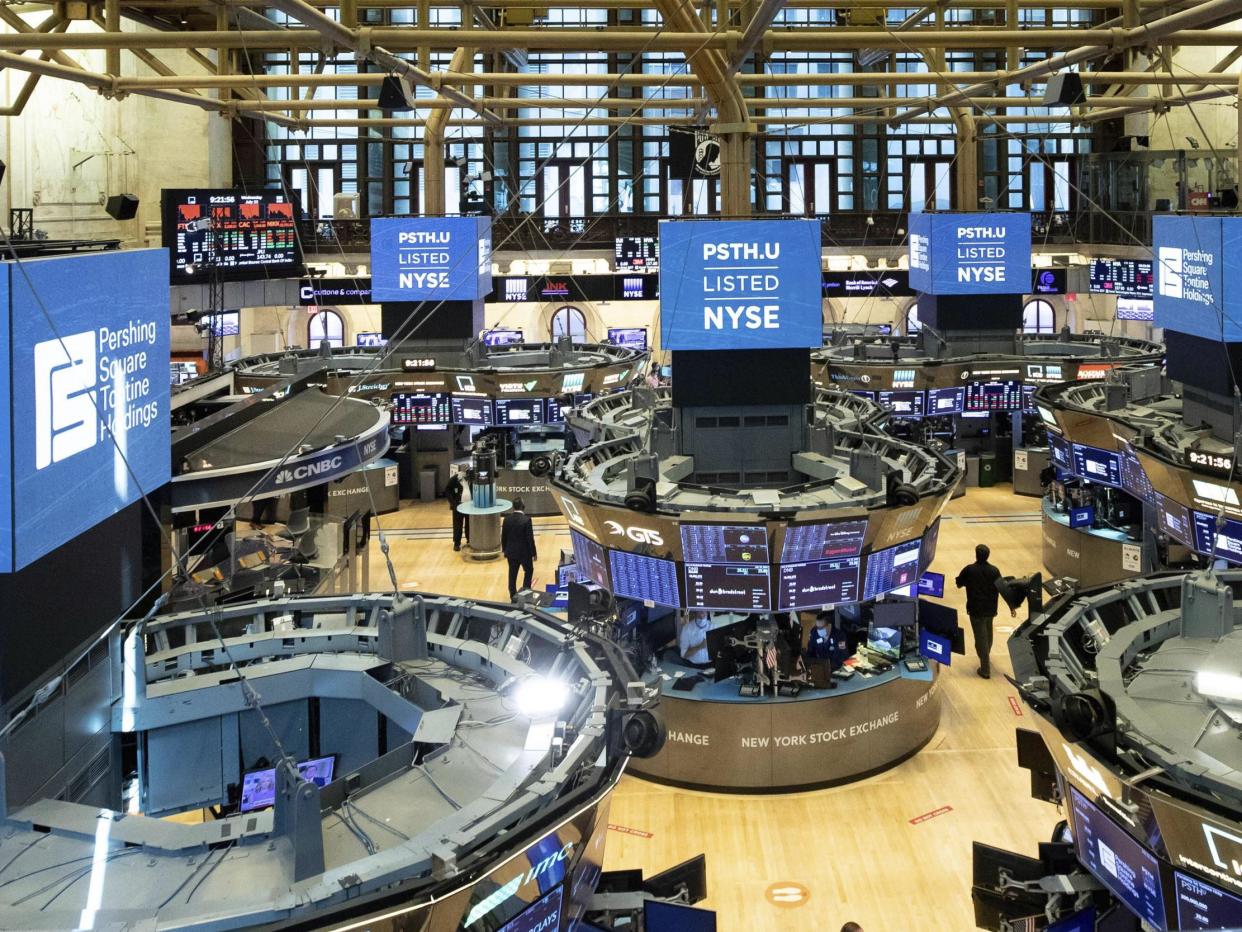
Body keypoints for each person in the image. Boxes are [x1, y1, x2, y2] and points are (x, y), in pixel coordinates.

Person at [954, 543, 1015, 679]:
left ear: (976, 554)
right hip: (991, 609)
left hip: (976, 610)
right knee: (987, 635)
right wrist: (1012, 606)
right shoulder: (994, 571)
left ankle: (985, 669)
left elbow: (958, 583)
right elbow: (1003, 588)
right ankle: (985, 656)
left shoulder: (969, 570)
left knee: (981, 639)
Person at [501, 497, 537, 599]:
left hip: (511, 552)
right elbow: (530, 538)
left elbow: (503, 536)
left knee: (512, 574)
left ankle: (513, 595)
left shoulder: (507, 519)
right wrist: (534, 553)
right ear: (523, 506)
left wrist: (504, 550)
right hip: (524, 553)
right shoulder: (527, 520)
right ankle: (526, 594)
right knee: (529, 571)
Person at [444, 467, 470, 551]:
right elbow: (447, 489)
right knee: (457, 525)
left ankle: (469, 540)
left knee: (469, 524)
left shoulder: (471, 478)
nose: (466, 471)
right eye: (465, 470)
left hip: (470, 506)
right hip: (458, 506)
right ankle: (457, 543)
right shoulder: (454, 479)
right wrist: (452, 502)